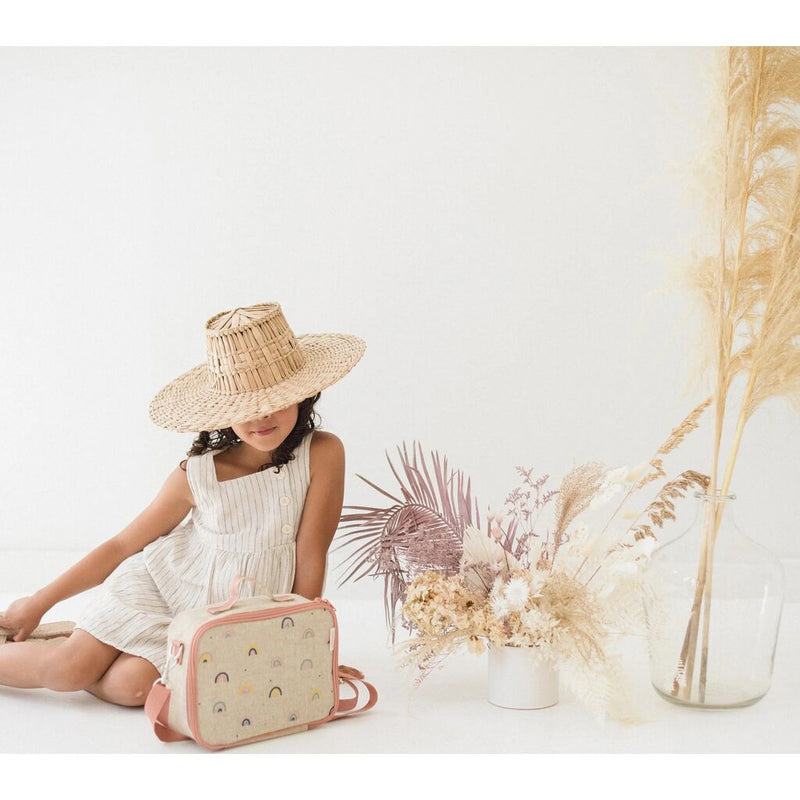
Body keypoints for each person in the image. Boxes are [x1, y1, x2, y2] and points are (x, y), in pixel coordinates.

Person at [0, 302, 365, 708]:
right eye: (244, 405)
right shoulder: (197, 475)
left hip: (213, 621)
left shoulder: (323, 454)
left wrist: (304, 647)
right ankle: (78, 647)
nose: (261, 416)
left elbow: (310, 553)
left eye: (275, 399)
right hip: (158, 587)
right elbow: (123, 545)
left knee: (131, 688)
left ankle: (85, 642)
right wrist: (37, 603)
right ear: (223, 411)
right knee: (67, 672)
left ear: (301, 394)